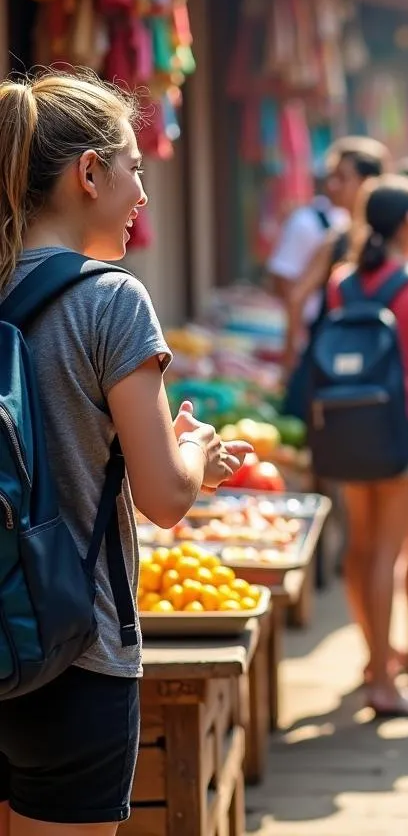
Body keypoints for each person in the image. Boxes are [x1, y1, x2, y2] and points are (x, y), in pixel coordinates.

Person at [0, 72, 250, 835]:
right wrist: (197, 455)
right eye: (135, 167)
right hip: (71, 648)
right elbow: (165, 499)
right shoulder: (111, 300)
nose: (143, 191)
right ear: (89, 173)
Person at [324, 175, 408, 717]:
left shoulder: (342, 281)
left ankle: (379, 659)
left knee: (362, 546)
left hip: (348, 427)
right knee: (395, 554)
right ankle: (386, 679)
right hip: (404, 430)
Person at [276, 136, 388, 369]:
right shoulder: (345, 238)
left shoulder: (337, 240)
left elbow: (297, 297)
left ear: (368, 182)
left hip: (335, 365)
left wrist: (289, 364)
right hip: (382, 366)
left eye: (342, 178)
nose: (332, 186)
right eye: (332, 177)